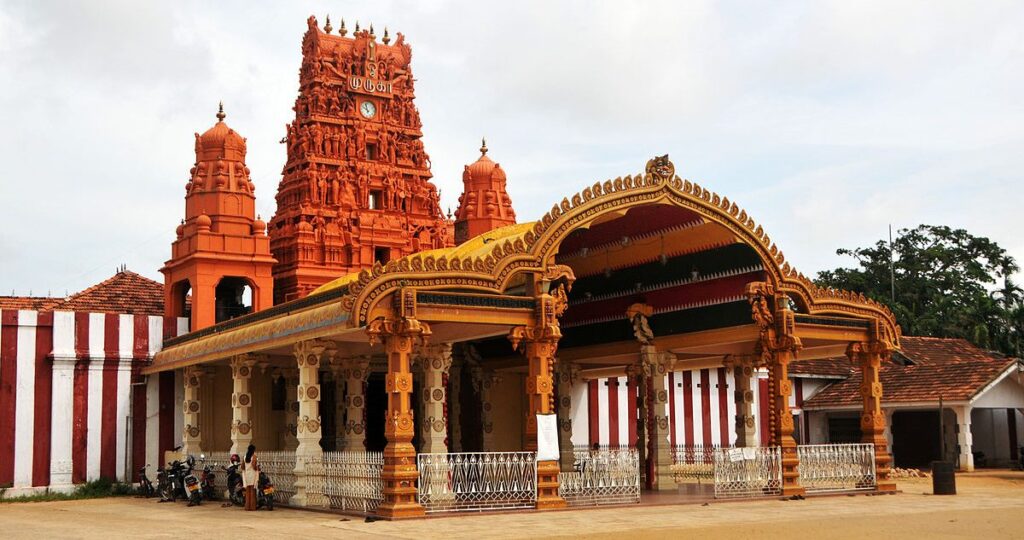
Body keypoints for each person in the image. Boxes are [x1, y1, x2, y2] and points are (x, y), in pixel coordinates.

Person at [242, 444, 258, 511]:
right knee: (252, 491)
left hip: (246, 475)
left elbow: (242, 467)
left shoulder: (245, 457)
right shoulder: (254, 456)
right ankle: (252, 507)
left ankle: (247, 507)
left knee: (247, 491)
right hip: (252, 474)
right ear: (253, 450)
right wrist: (257, 468)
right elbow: (254, 466)